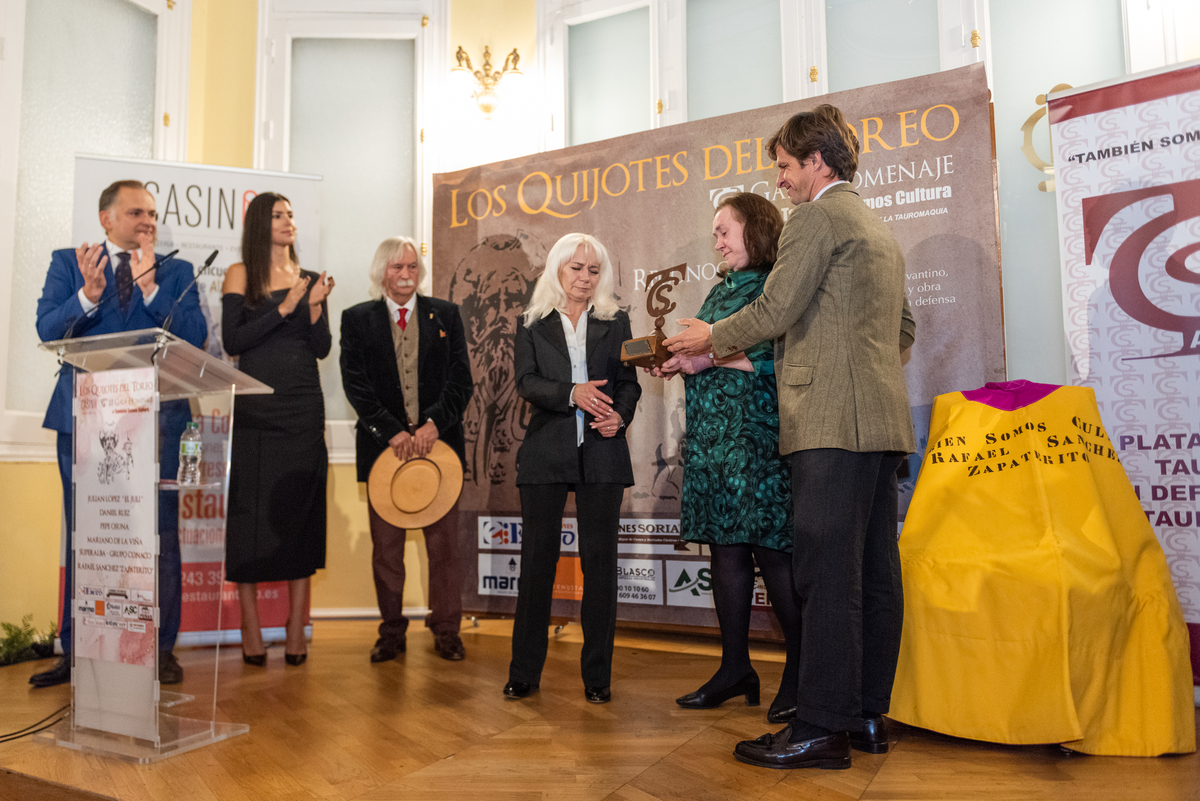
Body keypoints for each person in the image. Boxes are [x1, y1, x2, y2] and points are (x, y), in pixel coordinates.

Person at [665, 105, 916, 770]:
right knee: (872, 576)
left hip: (832, 425)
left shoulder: (817, 217)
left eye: (784, 165)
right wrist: (863, 368)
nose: (779, 180)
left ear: (818, 162)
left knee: (826, 578)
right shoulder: (877, 227)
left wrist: (708, 338)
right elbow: (905, 329)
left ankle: (818, 729)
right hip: (882, 423)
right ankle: (864, 715)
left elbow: (776, 309)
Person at [31, 179, 207, 688]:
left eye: (152, 213)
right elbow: (47, 329)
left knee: (160, 538)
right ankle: (76, 647)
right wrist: (86, 296)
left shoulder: (175, 271)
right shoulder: (71, 263)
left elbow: (195, 339)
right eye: (136, 212)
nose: (147, 221)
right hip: (85, 419)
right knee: (83, 536)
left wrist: (152, 291)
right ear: (106, 218)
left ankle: (161, 648)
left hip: (159, 424)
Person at [653, 193, 801, 723]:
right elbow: (709, 354)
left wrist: (707, 355)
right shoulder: (720, 291)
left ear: (755, 230)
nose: (716, 241)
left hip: (758, 443)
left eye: (724, 230)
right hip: (715, 445)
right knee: (726, 555)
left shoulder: (775, 286)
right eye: (714, 233)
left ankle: (801, 674)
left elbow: (776, 358)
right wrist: (679, 361)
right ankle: (735, 668)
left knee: (774, 556)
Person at [503, 233, 641, 705]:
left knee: (600, 568)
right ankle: (524, 672)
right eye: (576, 268)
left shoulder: (616, 320)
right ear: (557, 269)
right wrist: (572, 393)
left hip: (602, 454)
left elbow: (629, 384)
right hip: (545, 454)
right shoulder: (531, 322)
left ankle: (597, 678)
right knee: (537, 564)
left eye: (594, 270)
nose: (585, 278)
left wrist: (619, 415)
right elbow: (526, 382)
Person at [340, 236, 474, 663]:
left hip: (441, 450)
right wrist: (392, 431)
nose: (405, 275)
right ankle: (391, 632)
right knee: (387, 551)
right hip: (386, 452)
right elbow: (356, 385)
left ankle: (447, 628)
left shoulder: (446, 315)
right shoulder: (357, 319)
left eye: (412, 268)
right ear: (382, 272)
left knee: (445, 549)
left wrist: (434, 423)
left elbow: (461, 382)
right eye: (397, 267)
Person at [222, 191, 333, 667]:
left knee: (300, 512)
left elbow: (323, 347)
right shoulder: (240, 274)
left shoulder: (310, 279)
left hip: (302, 407)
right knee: (251, 516)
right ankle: (249, 626)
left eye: (291, 213)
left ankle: (295, 626)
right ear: (259, 225)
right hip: (255, 409)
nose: (289, 221)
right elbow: (233, 340)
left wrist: (311, 307)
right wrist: (286, 306)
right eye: (278, 215)